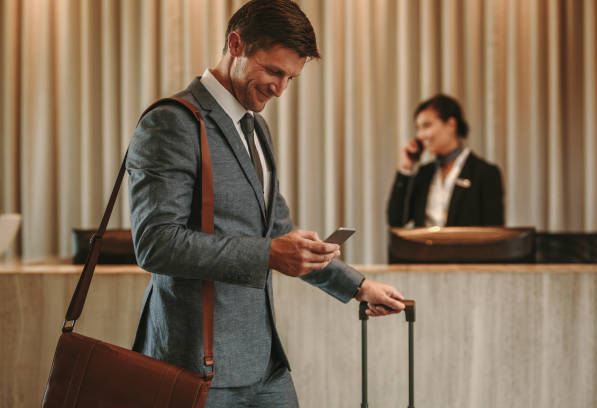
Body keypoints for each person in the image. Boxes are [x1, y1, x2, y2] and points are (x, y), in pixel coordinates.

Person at [127, 1, 406, 406]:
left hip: (264, 362)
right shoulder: (172, 121)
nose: (280, 89)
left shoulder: (257, 128)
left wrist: (359, 286)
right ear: (235, 44)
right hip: (195, 364)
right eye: (274, 71)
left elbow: (277, 232)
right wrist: (269, 254)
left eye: (291, 77)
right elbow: (155, 243)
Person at [387, 94, 504, 228]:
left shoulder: (485, 173)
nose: (420, 135)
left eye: (426, 126)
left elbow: (494, 234)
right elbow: (396, 220)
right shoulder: (424, 173)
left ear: (451, 124)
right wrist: (405, 170)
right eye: (418, 128)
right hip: (424, 249)